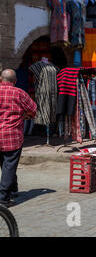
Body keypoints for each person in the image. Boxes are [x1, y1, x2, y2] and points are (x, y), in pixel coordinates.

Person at [0, 69, 37, 207]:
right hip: (12, 136)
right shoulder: (19, 93)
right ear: (14, 81)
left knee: (6, 165)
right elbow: (33, 110)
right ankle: (3, 198)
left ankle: (12, 190)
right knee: (9, 166)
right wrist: (24, 115)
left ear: (1, 79)